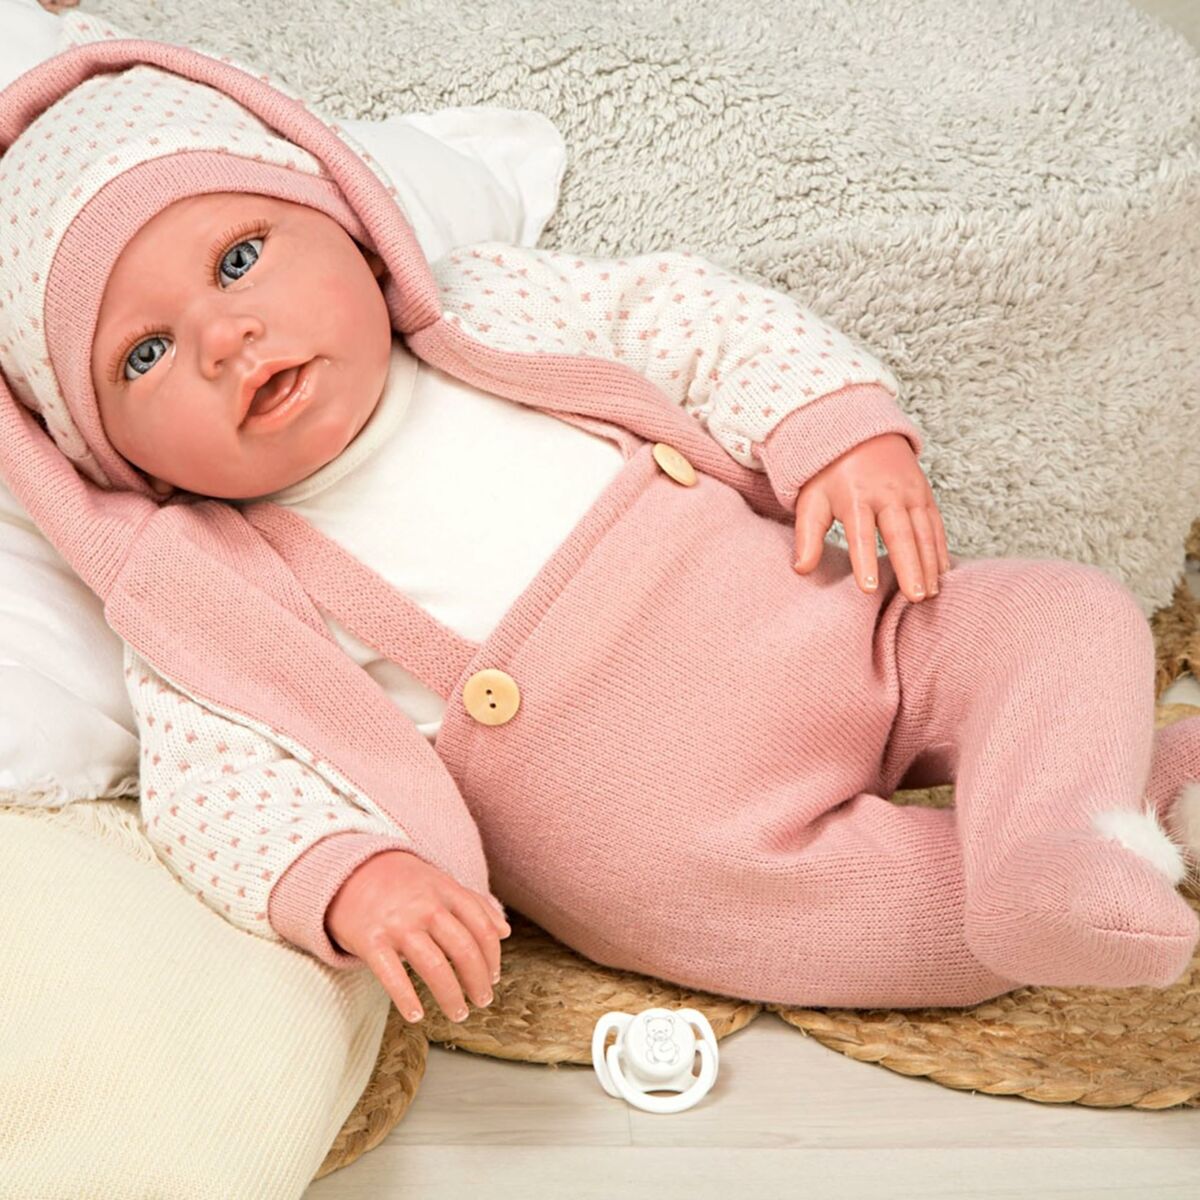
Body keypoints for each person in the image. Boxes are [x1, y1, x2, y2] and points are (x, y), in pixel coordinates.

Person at [2, 10, 1198, 1029]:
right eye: (142, 354)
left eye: (240, 258)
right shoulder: (207, 584)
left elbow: (692, 320)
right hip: (702, 851)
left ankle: (1057, 834)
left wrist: (835, 427)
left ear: (354, 229)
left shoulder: (493, 308)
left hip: (852, 628)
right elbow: (218, 781)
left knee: (1060, 613)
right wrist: (353, 878)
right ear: (102, 448)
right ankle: (1094, 845)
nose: (225, 338)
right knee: (889, 925)